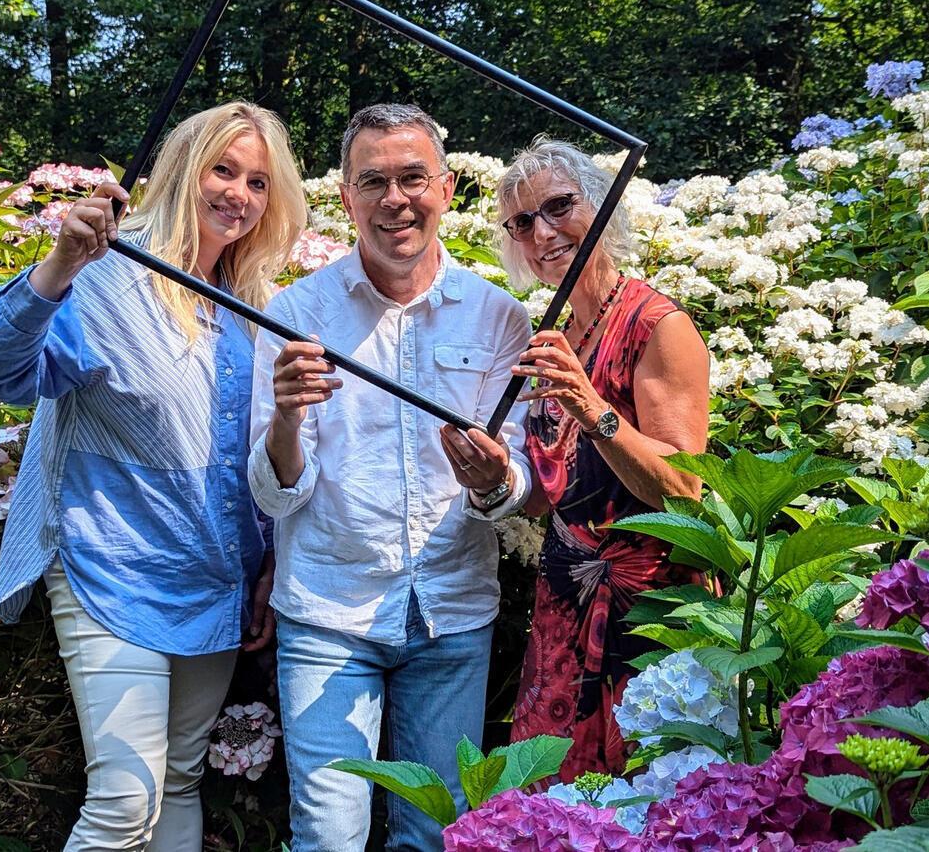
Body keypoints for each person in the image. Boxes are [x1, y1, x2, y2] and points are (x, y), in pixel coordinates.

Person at [0, 102, 305, 851]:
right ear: (180, 171)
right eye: (223, 169)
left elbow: (254, 468)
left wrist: (264, 568)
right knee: (122, 801)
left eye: (259, 181)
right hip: (110, 569)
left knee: (176, 780)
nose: (239, 192)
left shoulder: (254, 308)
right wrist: (60, 264)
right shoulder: (108, 276)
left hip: (212, 581)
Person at [247, 103, 533, 851]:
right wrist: (283, 418)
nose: (394, 199)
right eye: (373, 181)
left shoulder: (499, 317)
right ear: (346, 198)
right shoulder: (295, 313)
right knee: (329, 837)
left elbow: (521, 483)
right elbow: (273, 492)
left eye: (412, 177)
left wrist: (494, 478)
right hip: (328, 614)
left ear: (445, 188)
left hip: (452, 612)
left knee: (437, 835)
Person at [496, 139, 710, 781]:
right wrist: (490, 479)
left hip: (646, 617)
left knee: (646, 801)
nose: (543, 232)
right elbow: (550, 497)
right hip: (562, 610)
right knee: (555, 809)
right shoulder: (553, 335)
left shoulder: (657, 325)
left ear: (603, 208)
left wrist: (592, 407)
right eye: (522, 222)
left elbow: (682, 488)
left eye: (559, 206)